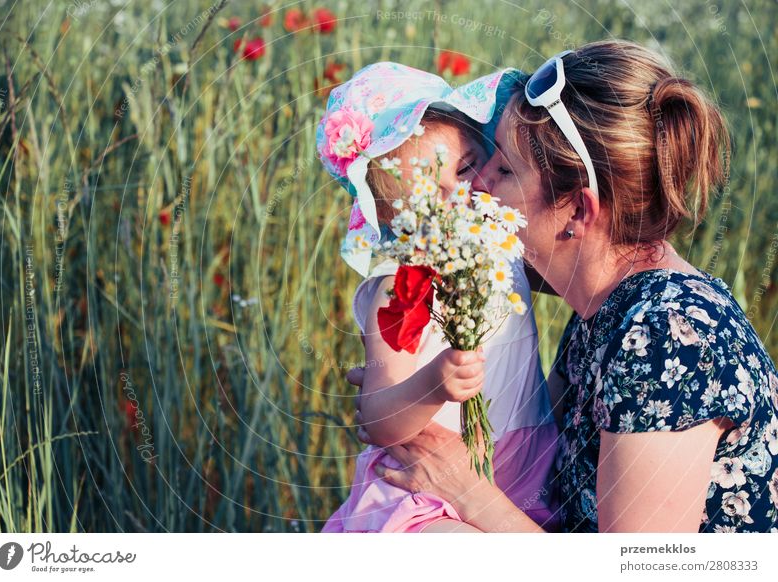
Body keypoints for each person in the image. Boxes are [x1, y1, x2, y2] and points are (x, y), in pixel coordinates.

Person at [352, 40, 778, 533]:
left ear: (577, 209)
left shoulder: (669, 339)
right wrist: (408, 387)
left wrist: (465, 489)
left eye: (504, 168)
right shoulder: (608, 308)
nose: (480, 182)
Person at [316, 62, 559, 533]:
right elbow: (380, 418)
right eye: (428, 191)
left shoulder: (501, 244)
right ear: (391, 212)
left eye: (467, 167)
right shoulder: (401, 286)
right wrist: (432, 384)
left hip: (524, 468)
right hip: (425, 485)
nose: (460, 195)